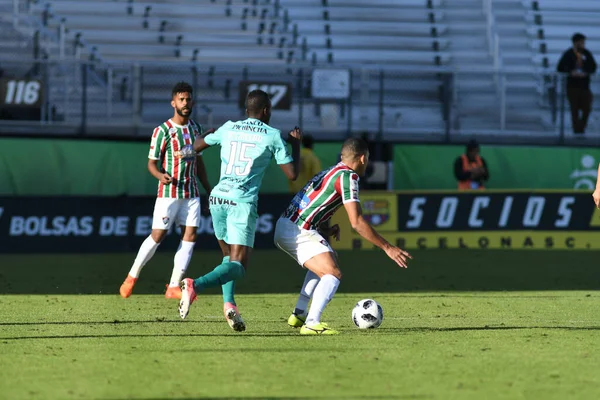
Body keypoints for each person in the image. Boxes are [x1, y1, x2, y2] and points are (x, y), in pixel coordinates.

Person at [178, 89, 302, 331]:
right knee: (240, 266)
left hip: (218, 197)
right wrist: (296, 145)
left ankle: (229, 305)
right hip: (241, 202)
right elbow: (292, 174)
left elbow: (194, 147)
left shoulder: (228, 128)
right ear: (266, 111)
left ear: (246, 111)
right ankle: (196, 285)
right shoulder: (273, 135)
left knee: (228, 258)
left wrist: (209, 134)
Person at [274, 137, 412, 335]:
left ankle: (299, 313)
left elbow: (309, 202)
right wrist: (388, 248)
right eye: (369, 158)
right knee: (333, 273)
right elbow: (356, 222)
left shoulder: (331, 171)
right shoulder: (348, 176)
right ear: (363, 158)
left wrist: (324, 228)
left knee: (326, 262)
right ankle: (312, 322)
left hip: (287, 225)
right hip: (297, 230)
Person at [119, 82, 212, 300]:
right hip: (169, 193)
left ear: (193, 102)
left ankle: (173, 286)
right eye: (181, 99)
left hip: (191, 194)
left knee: (190, 235)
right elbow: (152, 163)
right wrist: (161, 175)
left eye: (188, 99)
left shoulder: (196, 129)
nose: (185, 103)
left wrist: (208, 188)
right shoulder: (162, 131)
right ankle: (132, 276)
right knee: (158, 235)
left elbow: (199, 163)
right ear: (173, 103)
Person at [557, 33, 597, 134]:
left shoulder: (587, 54)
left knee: (587, 108)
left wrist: (585, 72)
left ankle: (581, 127)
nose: (583, 44)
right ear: (575, 43)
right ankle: (577, 130)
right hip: (572, 86)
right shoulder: (568, 54)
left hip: (584, 86)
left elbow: (593, 67)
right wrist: (571, 72)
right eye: (581, 42)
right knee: (574, 110)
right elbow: (560, 67)